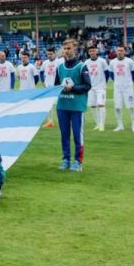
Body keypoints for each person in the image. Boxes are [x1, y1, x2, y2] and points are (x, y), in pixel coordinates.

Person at [54, 39, 90, 171]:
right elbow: (56, 86)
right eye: (65, 48)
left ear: (75, 50)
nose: (66, 51)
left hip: (77, 107)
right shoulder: (60, 68)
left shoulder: (81, 67)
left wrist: (72, 88)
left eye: (69, 48)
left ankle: (78, 161)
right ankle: (65, 159)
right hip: (62, 106)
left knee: (77, 135)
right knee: (64, 135)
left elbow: (87, 86)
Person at [109, 45, 134, 132]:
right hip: (117, 88)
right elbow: (111, 74)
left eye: (121, 50)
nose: (119, 52)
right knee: (117, 107)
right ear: (116, 51)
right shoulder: (112, 62)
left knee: (132, 107)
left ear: (124, 52)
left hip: (128, 88)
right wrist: (117, 82)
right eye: (118, 50)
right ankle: (120, 125)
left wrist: (129, 83)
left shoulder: (129, 61)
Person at [84, 45, 110, 132]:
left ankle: (102, 125)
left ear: (96, 51)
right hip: (91, 87)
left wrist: (103, 83)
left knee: (101, 104)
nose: (92, 52)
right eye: (90, 51)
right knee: (92, 106)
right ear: (88, 53)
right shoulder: (86, 62)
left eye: (93, 51)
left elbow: (107, 73)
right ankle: (98, 124)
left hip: (100, 87)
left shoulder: (102, 61)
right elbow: (85, 74)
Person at [39, 47, 63, 127]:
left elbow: (62, 72)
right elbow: (41, 72)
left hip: (57, 86)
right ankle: (50, 121)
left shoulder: (59, 62)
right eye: (48, 54)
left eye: (51, 54)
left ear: (54, 53)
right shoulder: (45, 63)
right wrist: (43, 81)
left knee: (60, 104)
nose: (49, 55)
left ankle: (62, 120)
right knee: (48, 105)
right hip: (48, 87)